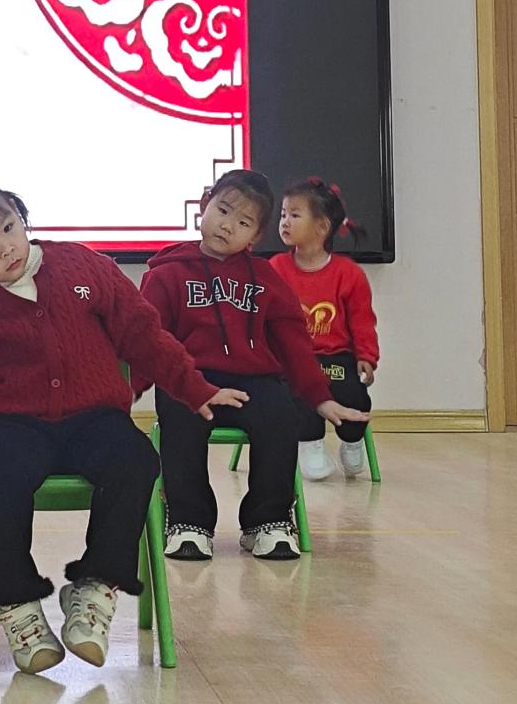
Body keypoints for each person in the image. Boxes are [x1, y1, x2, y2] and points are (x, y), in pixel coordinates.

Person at [0, 171, 235, 674]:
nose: (6, 248)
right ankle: (17, 603)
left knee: (135, 460)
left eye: (9, 227)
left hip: (94, 418)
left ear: (19, 214)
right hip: (14, 426)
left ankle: (95, 587)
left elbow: (143, 334)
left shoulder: (84, 265)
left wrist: (193, 386)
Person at [140, 168, 369, 561]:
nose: (228, 226)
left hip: (254, 381)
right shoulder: (166, 274)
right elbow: (148, 341)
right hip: (192, 379)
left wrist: (320, 397)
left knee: (280, 413)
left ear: (256, 236)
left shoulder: (265, 279)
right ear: (204, 205)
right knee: (179, 412)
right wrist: (124, 394)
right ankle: (189, 522)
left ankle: (268, 521)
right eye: (223, 211)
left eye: (243, 222)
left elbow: (293, 343)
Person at [271, 177, 378, 481]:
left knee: (353, 394)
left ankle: (352, 442)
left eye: (295, 215)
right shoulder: (276, 268)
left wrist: (366, 356)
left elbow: (362, 320)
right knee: (297, 394)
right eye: (283, 214)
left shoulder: (349, 274)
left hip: (336, 357)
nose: (285, 221)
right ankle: (311, 446)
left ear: (321, 227)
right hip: (292, 359)